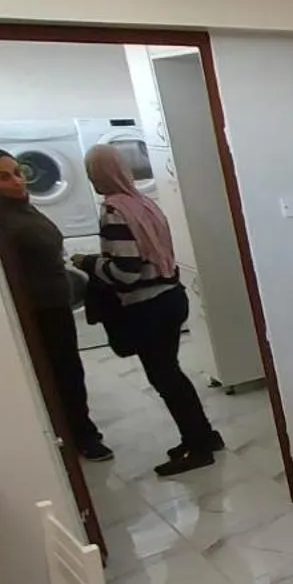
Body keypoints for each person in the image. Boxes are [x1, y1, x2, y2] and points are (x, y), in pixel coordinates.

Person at [74, 144, 222, 477]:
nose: (90, 178)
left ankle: (198, 446)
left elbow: (126, 272)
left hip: (148, 307)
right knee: (172, 373)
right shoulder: (144, 203)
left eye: (90, 172)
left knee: (165, 377)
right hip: (171, 296)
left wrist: (88, 262)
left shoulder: (115, 210)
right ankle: (204, 436)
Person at [0, 150, 111, 462]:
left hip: (55, 304)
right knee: (63, 374)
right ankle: (82, 436)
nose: (17, 181)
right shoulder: (0, 221)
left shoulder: (22, 209)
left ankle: (77, 430)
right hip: (39, 311)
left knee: (67, 371)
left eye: (18, 171)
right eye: (3, 177)